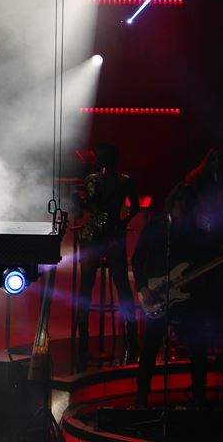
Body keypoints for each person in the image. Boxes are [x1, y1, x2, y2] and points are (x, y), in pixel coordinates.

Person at [132, 183, 221, 407]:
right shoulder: (155, 227)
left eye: (187, 200)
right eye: (180, 199)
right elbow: (137, 259)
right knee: (150, 346)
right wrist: (143, 289)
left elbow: (207, 264)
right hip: (156, 294)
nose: (183, 204)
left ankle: (199, 397)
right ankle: (141, 397)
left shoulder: (198, 234)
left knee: (198, 345)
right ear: (171, 202)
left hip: (186, 297)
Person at [74, 143, 140, 368]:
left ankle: (132, 337)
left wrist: (122, 221)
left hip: (111, 233)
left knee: (121, 283)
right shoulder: (92, 180)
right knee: (87, 283)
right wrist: (79, 202)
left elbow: (135, 206)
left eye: (100, 157)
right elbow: (88, 206)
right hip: (95, 233)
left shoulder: (124, 181)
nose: (97, 160)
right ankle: (84, 340)